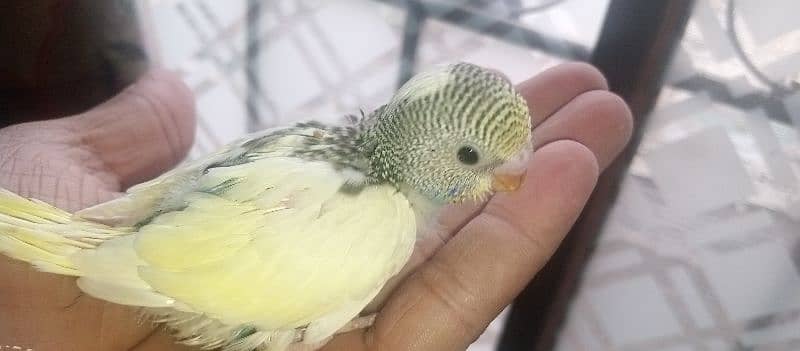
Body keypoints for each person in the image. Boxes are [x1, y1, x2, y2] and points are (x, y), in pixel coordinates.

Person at [0, 63, 632, 350]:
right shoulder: (378, 227)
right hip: (173, 275)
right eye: (473, 157)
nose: (506, 176)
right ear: (428, 145)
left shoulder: (318, 134)